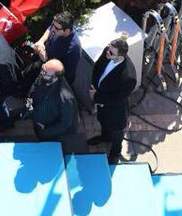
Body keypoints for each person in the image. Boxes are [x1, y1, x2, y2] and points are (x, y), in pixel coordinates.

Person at [88, 35, 137, 165]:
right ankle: (104, 137)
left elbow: (117, 99)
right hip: (102, 99)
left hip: (116, 109)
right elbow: (97, 67)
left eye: (111, 52)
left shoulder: (129, 77)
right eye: (108, 49)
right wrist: (94, 85)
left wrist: (96, 96)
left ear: (120, 57)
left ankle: (115, 151)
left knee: (116, 131)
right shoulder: (109, 52)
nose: (107, 52)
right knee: (103, 120)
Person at [24, 59, 78, 143]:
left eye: (45, 72)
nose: (41, 72)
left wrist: (45, 132)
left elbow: (65, 123)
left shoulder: (66, 98)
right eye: (43, 68)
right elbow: (33, 88)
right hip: (39, 122)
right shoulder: (44, 76)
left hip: (53, 134)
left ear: (55, 77)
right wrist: (28, 106)